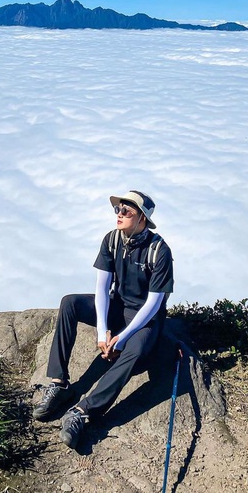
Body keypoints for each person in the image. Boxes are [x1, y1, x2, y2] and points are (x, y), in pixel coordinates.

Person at [33, 190, 174, 448]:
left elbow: (154, 304)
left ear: (142, 218)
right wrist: (102, 332)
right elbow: (102, 288)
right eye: (118, 209)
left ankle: (83, 410)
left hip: (144, 319)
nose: (119, 214)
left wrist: (121, 339)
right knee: (70, 303)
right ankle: (59, 382)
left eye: (126, 211)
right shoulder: (112, 240)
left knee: (137, 348)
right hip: (118, 308)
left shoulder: (159, 251)